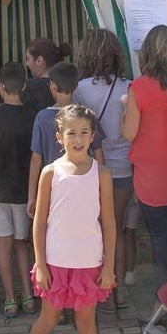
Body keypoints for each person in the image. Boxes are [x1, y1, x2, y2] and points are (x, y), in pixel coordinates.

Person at [19, 104, 114, 334]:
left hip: (90, 264)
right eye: (71, 132)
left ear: (92, 136)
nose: (78, 138)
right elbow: (39, 222)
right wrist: (40, 264)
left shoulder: (103, 174)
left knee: (86, 324)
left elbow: (109, 223)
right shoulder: (50, 172)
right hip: (55, 264)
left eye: (84, 132)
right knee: (48, 319)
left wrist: (109, 265)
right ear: (59, 136)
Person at [121, 25, 167, 300]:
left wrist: (123, 115)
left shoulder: (138, 88)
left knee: (159, 235)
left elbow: (129, 133)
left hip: (149, 174)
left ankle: (166, 297)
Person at [73, 28, 133, 311]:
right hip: (123, 168)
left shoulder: (81, 88)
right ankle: (118, 293)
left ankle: (95, 293)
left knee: (92, 230)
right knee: (116, 229)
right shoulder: (129, 87)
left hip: (92, 169)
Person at [0, 62, 38, 318]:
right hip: (25, 190)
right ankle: (28, 295)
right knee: (22, 244)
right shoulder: (35, 114)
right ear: (24, 86)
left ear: (0, 88)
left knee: (2, 245)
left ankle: (10, 299)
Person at [28, 62, 105, 218]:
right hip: (84, 180)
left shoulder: (42, 117)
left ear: (53, 86)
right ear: (76, 86)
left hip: (53, 184)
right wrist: (100, 186)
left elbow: (36, 159)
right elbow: (98, 152)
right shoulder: (87, 116)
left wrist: (32, 195)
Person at [24, 38, 72, 113]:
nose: (27, 63)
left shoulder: (26, 87)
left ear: (39, 61)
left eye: (28, 58)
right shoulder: (70, 85)